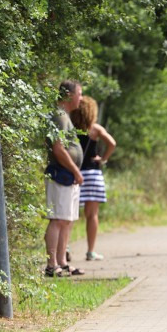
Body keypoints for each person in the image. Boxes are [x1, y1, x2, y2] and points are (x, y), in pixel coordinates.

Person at [44, 80, 85, 277]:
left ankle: (62, 261)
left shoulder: (65, 117)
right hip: (60, 174)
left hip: (68, 176)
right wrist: (76, 171)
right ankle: (52, 264)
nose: (81, 98)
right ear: (69, 95)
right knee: (58, 219)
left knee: (67, 220)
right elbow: (58, 148)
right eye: (80, 94)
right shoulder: (59, 116)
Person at [70, 96, 117, 261]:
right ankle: (90, 251)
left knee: (71, 213)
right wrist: (103, 158)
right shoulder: (95, 129)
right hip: (93, 175)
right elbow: (112, 143)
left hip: (75, 173)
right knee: (92, 215)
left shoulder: (70, 128)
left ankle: (65, 248)